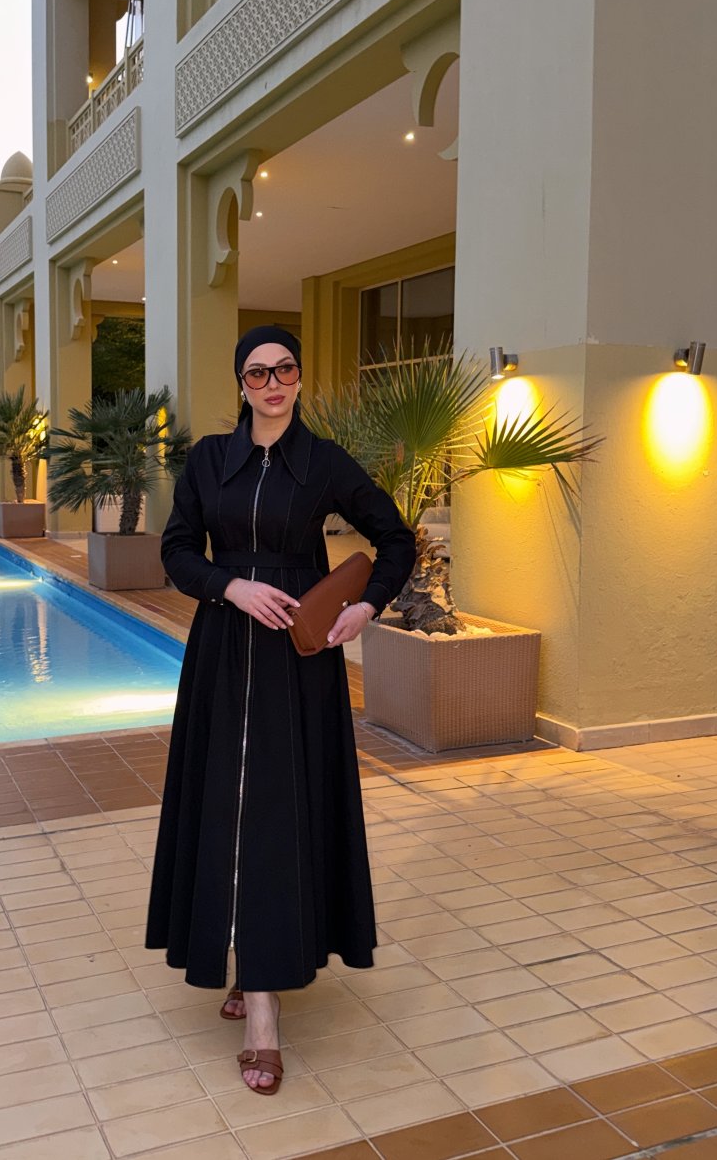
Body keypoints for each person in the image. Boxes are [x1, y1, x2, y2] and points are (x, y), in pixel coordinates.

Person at [145, 325, 416, 1094]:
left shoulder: (323, 461)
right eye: (258, 372)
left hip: (299, 662)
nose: (273, 383)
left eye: (285, 369)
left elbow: (396, 539)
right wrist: (230, 586)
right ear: (241, 383)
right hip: (224, 654)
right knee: (224, 808)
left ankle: (261, 1004)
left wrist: (365, 606)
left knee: (275, 814)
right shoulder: (209, 459)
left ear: (299, 378)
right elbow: (176, 550)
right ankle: (248, 966)